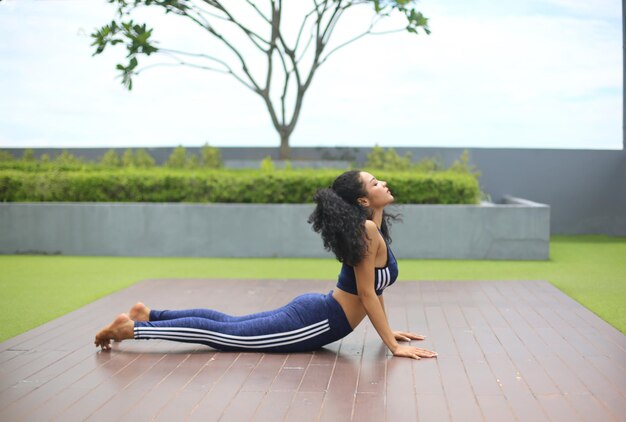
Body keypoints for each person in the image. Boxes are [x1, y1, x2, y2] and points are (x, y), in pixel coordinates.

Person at [94, 170, 438, 360]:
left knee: (228, 324)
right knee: (223, 335)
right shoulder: (365, 231)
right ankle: (133, 329)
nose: (384, 183)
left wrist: (388, 330)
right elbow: (366, 292)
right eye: (375, 182)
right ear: (363, 200)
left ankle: (148, 313)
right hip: (317, 321)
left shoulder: (371, 228)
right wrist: (392, 346)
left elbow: (374, 289)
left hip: (316, 311)